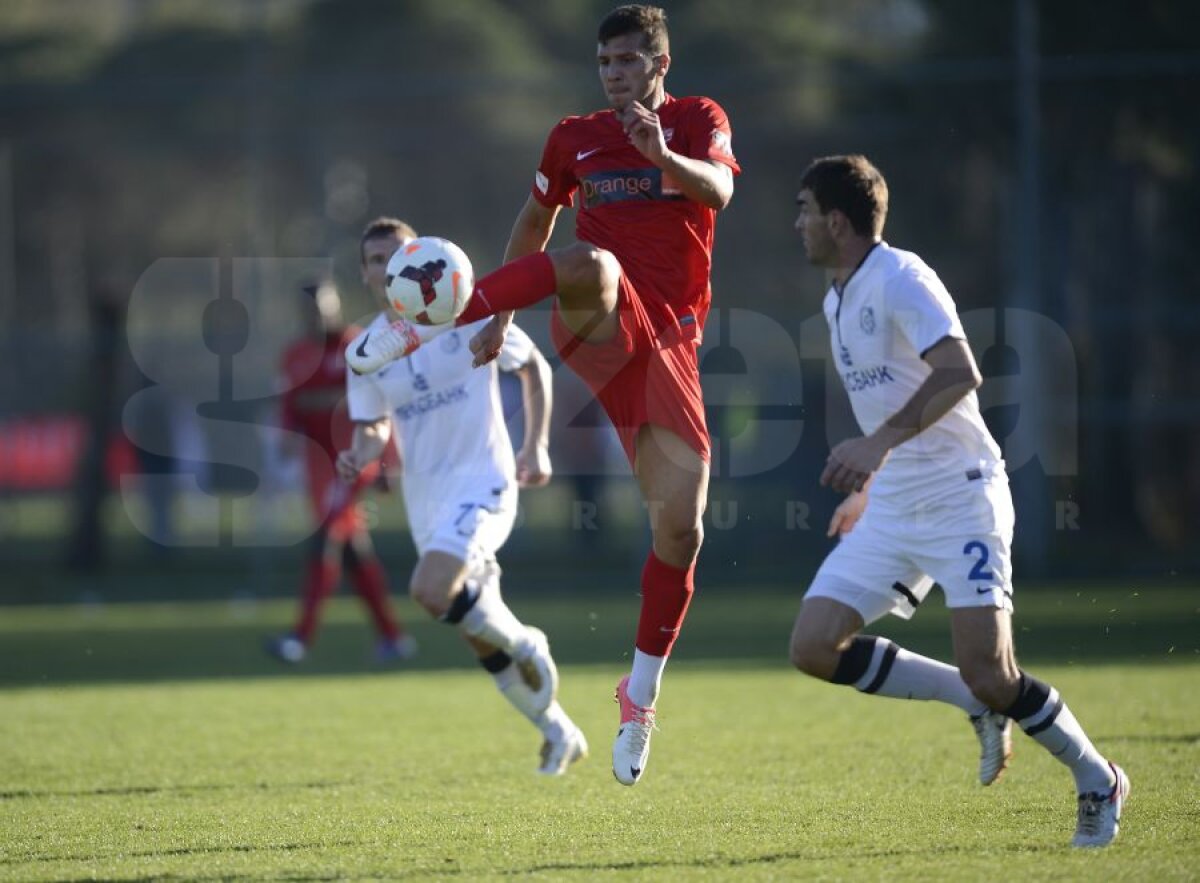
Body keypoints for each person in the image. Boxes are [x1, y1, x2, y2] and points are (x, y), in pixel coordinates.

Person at [349, 4, 739, 787]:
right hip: (596, 320)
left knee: (682, 529)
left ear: (660, 65)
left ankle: (639, 697)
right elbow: (535, 218)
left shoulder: (697, 120)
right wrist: (491, 316)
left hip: (670, 347)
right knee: (593, 264)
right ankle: (436, 319)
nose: (615, 74)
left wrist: (663, 156)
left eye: (628, 62)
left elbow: (719, 193)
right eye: (605, 64)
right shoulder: (573, 137)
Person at [788, 154, 1128, 847]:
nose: (795, 224)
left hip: (961, 497)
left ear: (836, 219)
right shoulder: (836, 296)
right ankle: (967, 700)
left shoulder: (901, 277)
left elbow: (960, 372)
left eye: (802, 209)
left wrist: (874, 447)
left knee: (995, 671)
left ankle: (1098, 777)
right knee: (814, 646)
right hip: (893, 505)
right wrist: (871, 487)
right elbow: (893, 398)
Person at [339, 217, 587, 776]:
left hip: (484, 481)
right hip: (427, 501)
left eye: (398, 255)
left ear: (422, 259)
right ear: (365, 274)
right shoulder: (366, 349)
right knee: (475, 632)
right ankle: (558, 730)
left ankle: (528, 643)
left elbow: (534, 367)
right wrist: (362, 451)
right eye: (376, 261)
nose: (388, 268)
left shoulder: (464, 311)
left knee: (431, 591)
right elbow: (373, 425)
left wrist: (537, 448)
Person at [267, 279, 416, 665]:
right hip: (318, 464)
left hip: (354, 458)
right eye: (311, 308)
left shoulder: (358, 346)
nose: (319, 314)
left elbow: (383, 407)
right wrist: (285, 437)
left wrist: (388, 460)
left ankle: (300, 638)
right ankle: (393, 638)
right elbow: (290, 406)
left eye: (324, 306)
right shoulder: (295, 356)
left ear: (336, 305)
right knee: (352, 551)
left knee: (325, 538)